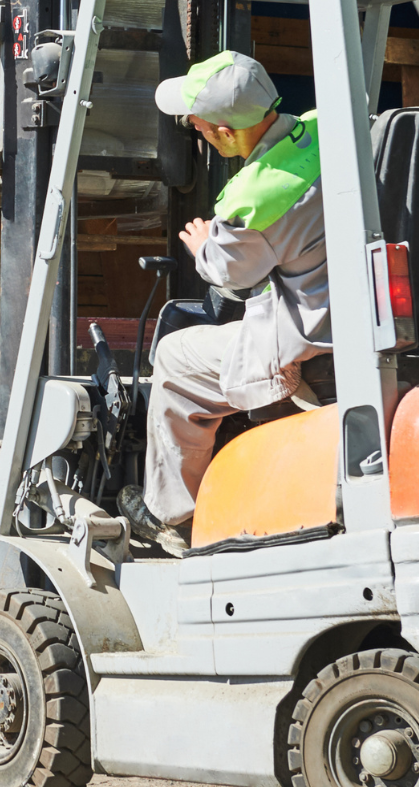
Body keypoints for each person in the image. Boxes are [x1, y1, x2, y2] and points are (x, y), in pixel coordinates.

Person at [119, 50, 330, 556]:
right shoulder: (330, 127)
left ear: (225, 133)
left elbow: (233, 277)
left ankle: (173, 515)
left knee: (176, 355)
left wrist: (203, 246)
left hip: (313, 336)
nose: (195, 130)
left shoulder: (255, 197)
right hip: (369, 314)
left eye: (199, 125)